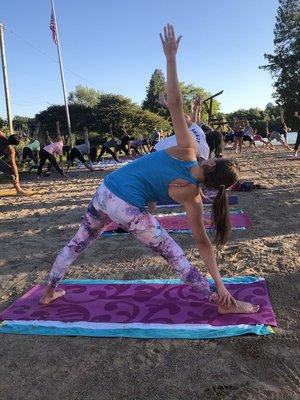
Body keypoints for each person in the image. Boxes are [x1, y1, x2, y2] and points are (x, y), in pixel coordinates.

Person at [40, 25, 259, 316]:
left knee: (78, 242)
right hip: (127, 207)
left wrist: (170, 58)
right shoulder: (193, 196)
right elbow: (203, 244)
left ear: (210, 162)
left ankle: (49, 290)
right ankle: (222, 301)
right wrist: (220, 282)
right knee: (175, 256)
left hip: (106, 191)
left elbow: (178, 104)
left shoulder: (187, 149)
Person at [155, 93, 210, 160]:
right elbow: (191, 122)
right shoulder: (202, 146)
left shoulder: (195, 134)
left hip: (161, 151)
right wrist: (195, 108)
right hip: (163, 152)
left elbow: (189, 120)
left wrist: (166, 105)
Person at [0, 130, 27, 195]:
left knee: (12, 174)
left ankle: (19, 190)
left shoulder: (2, 135)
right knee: (13, 174)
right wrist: (17, 176)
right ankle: (18, 190)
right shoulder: (11, 150)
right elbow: (13, 165)